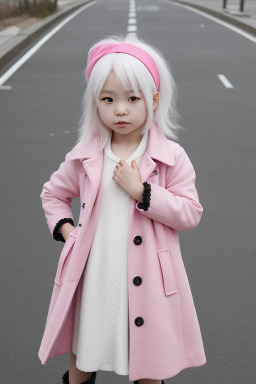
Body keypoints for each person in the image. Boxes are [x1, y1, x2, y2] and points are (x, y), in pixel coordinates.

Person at [38, 34, 206, 384]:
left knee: (149, 364)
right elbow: (53, 195)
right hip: (95, 274)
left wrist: (143, 192)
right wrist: (68, 232)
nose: (121, 109)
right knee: (84, 354)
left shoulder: (171, 157)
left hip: (150, 279)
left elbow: (190, 212)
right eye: (108, 99)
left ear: (154, 100)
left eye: (133, 98)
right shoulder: (86, 155)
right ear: (95, 103)